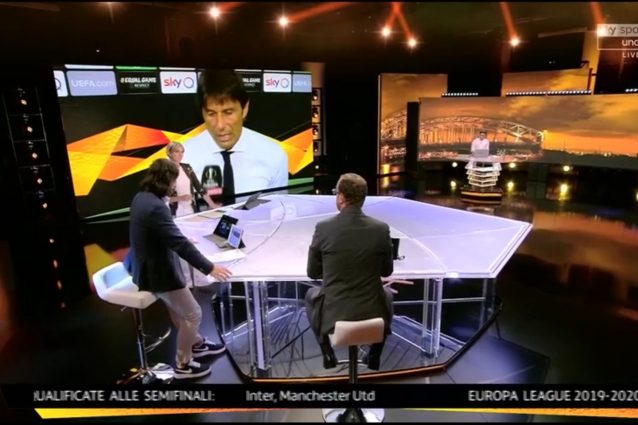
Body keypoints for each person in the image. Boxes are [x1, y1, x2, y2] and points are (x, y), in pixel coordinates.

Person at [129, 158, 232, 380]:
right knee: (193, 314)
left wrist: (178, 236)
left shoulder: (142, 197)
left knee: (180, 311)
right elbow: (179, 245)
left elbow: (162, 231)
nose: (175, 185)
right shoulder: (155, 206)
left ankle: (196, 343)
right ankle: (183, 365)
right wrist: (210, 268)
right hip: (156, 272)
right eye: (174, 181)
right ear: (166, 179)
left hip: (147, 265)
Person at [305, 173, 394, 370]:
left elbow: (312, 272)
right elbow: (387, 271)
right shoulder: (381, 229)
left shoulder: (323, 228)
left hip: (333, 317)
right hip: (373, 315)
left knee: (310, 294)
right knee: (387, 294)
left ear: (341, 197)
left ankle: (326, 351)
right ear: (363, 199)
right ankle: (375, 353)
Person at [182, 69, 288, 204]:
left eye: (228, 112)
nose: (220, 125)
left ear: (245, 108)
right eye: (211, 114)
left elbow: (278, 211)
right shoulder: (182, 159)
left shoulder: (274, 155)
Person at [165, 142, 216, 217]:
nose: (180, 155)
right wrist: (180, 198)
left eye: (182, 152)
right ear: (169, 153)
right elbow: (162, 198)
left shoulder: (187, 168)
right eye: (177, 151)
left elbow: (199, 188)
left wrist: (212, 204)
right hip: (174, 213)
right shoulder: (164, 171)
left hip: (191, 210)